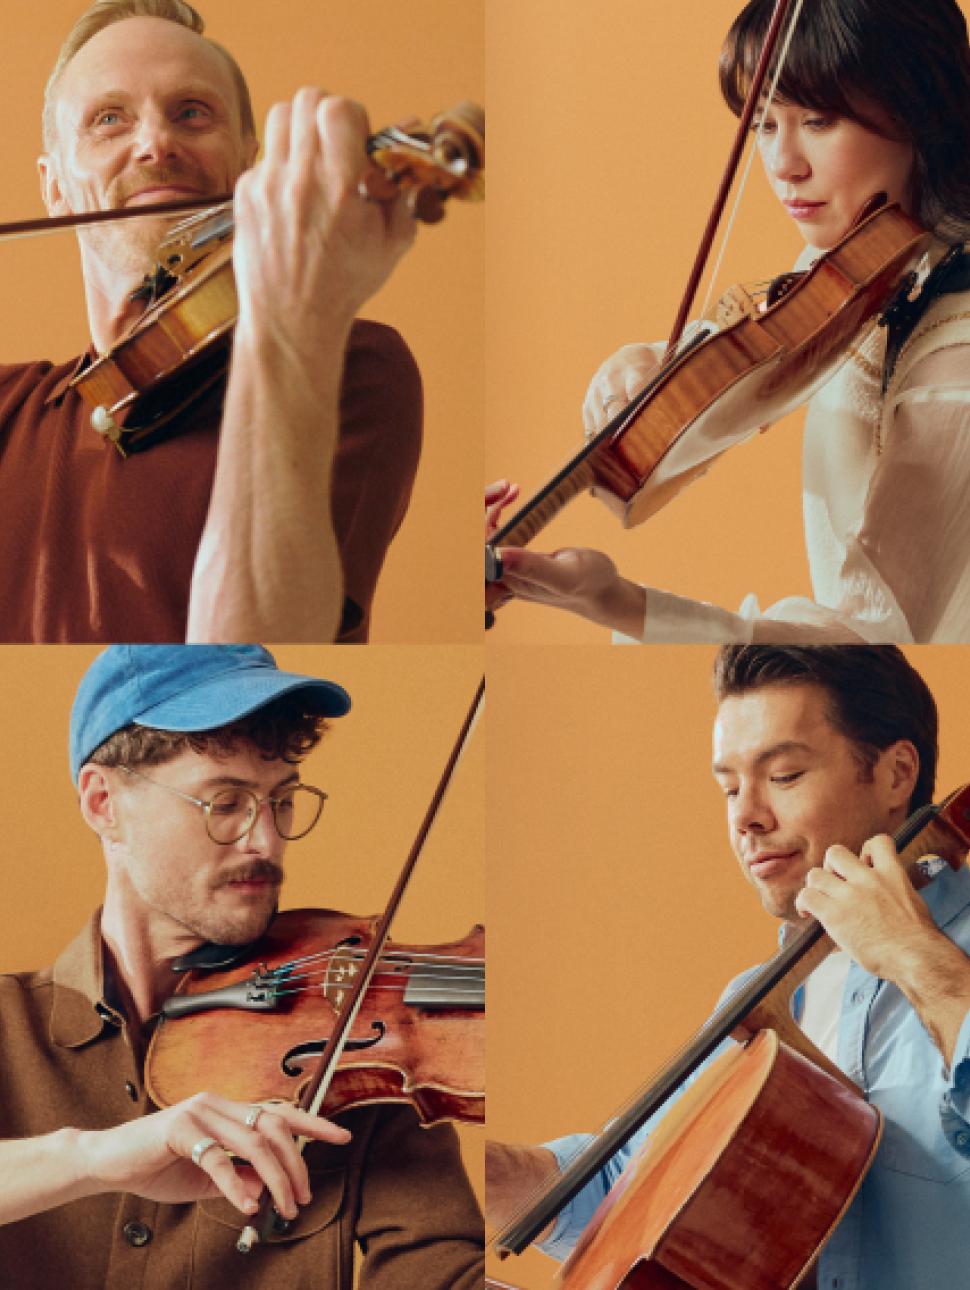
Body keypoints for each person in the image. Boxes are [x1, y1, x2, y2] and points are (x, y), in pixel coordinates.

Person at [486, 645, 970, 1289]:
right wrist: (472, 1170)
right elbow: (623, 1187)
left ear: (895, 774)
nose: (747, 818)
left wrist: (915, 957)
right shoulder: (759, 1001)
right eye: (729, 788)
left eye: (785, 775)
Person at [0, 644, 483, 1289]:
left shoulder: (355, 1061)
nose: (267, 841)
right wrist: (87, 1156)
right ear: (102, 803)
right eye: (225, 802)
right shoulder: (9, 1032)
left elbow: (443, 1272)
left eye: (281, 800)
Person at [488, 0, 970, 644]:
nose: (783, 165)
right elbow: (748, 373)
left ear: (920, 106)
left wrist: (615, 603)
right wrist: (647, 375)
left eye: (818, 121)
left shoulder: (956, 354)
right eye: (763, 125)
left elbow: (875, 637)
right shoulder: (868, 260)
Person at [4, 0, 423, 643]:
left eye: (191, 113)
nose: (155, 143)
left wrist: (292, 314)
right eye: (109, 120)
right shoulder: (10, 411)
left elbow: (257, 658)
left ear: (250, 166)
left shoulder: (346, 361)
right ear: (53, 185)